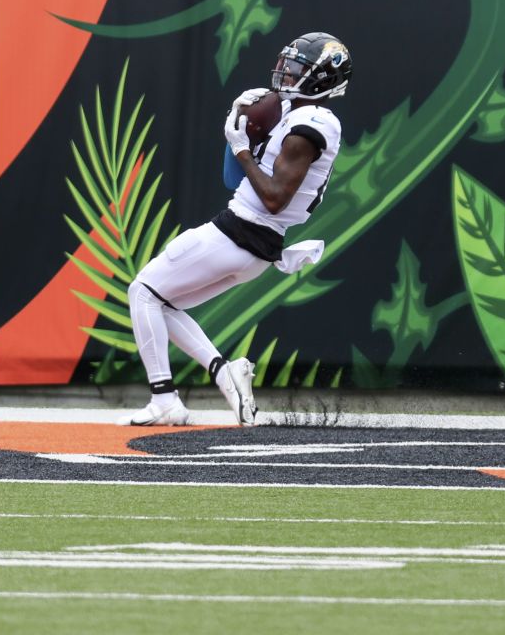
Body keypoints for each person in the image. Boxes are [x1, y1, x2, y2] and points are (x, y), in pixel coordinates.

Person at [118, 32, 352, 426]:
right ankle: (223, 373)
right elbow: (233, 178)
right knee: (160, 302)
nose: (286, 72)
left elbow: (274, 197)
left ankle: (165, 399)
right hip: (254, 244)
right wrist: (237, 131)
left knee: (142, 290)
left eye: (296, 68)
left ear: (321, 78)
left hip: (240, 232)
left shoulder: (315, 121)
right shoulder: (295, 114)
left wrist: (244, 148)